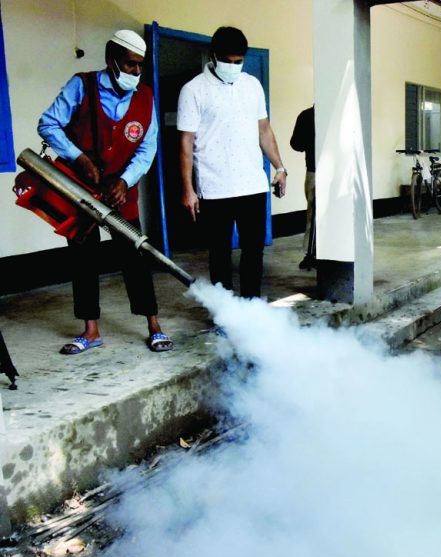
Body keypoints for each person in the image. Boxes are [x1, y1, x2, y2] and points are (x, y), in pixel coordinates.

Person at [38, 29, 172, 354]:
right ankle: (90, 330)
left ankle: (153, 324)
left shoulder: (145, 97)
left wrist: (124, 182)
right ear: (112, 61)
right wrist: (78, 157)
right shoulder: (81, 86)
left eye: (140, 66)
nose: (136, 72)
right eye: (129, 65)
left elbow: (147, 148)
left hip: (120, 192)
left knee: (134, 256)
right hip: (80, 189)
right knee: (83, 257)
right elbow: (48, 123)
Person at [177, 26, 287, 298]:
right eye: (228, 60)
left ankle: (250, 306)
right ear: (213, 56)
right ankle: (226, 313)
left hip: (252, 184)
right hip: (215, 188)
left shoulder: (252, 85)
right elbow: (185, 143)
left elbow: (264, 130)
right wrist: (188, 190)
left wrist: (280, 167)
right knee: (220, 253)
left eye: (239, 62)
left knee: (254, 250)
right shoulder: (193, 90)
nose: (233, 66)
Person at [290, 106, 316, 271]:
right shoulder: (339, 113)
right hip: (337, 171)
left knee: (312, 213)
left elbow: (296, 144)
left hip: (314, 170)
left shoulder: (306, 115)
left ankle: (310, 254)